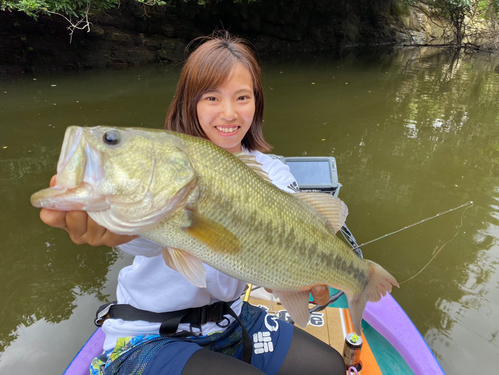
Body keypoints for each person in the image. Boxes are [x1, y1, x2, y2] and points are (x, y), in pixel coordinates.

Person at [39, 31, 345, 375]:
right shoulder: (165, 161)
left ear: (256, 102)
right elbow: (146, 237)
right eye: (211, 98)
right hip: (149, 333)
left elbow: (272, 258)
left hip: (227, 320)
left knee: (328, 366)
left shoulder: (273, 172)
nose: (229, 113)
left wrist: (297, 276)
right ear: (190, 102)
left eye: (242, 97)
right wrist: (115, 229)